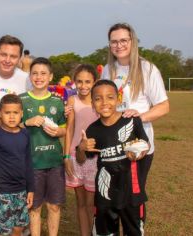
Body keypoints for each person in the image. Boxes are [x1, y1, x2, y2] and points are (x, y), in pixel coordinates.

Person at [101, 22, 169, 231]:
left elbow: (164, 106)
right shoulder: (107, 69)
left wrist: (139, 117)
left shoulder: (147, 68)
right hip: (112, 146)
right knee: (111, 195)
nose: (119, 45)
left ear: (133, 42)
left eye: (123, 40)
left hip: (137, 147)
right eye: (114, 41)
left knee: (132, 198)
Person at [77, 80, 150, 235]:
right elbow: (80, 159)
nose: (104, 103)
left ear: (118, 99)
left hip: (132, 193)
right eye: (98, 99)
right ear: (92, 104)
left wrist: (138, 151)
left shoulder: (131, 120)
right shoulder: (93, 129)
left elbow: (145, 144)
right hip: (105, 195)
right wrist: (81, 148)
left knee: (134, 232)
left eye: (110, 97)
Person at [19, 57, 66, 236]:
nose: (39, 77)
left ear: (51, 76)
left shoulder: (57, 101)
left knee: (54, 206)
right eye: (35, 73)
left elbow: (64, 129)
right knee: (34, 207)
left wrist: (58, 132)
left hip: (54, 162)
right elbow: (10, 127)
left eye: (43, 73)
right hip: (32, 164)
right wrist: (27, 122)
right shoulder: (22, 100)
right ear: (30, 76)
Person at [0, 94, 34, 236]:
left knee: (18, 228)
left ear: (21, 114)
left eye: (15, 113)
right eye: (7, 112)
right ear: (0, 113)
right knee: (1, 232)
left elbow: (28, 163)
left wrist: (31, 189)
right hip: (1, 193)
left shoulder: (25, 134)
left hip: (21, 192)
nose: (11, 117)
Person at [63, 64, 99, 236]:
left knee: (92, 202)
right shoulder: (72, 101)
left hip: (95, 157)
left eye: (88, 82)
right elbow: (69, 129)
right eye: (79, 81)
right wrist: (66, 156)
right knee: (80, 202)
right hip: (75, 155)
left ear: (95, 82)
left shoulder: (99, 100)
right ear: (74, 82)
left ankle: (95, 232)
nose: (83, 86)